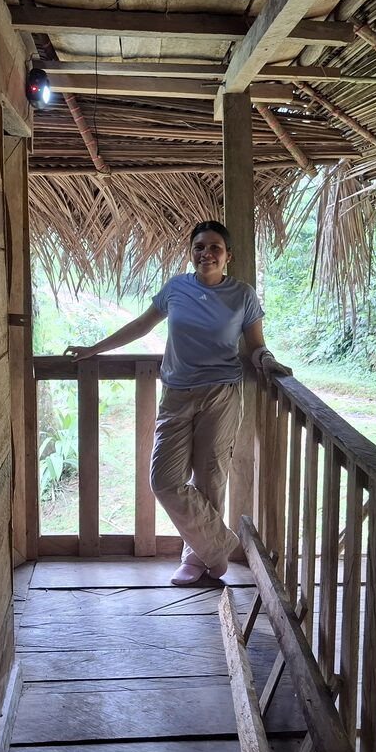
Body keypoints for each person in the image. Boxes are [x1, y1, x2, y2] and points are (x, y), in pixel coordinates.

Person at [65, 221, 292, 586]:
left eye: (215, 247)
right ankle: (217, 547)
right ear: (192, 253)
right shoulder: (176, 288)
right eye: (199, 247)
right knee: (164, 479)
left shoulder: (242, 294)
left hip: (221, 393)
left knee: (210, 477)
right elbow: (141, 326)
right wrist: (95, 349)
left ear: (228, 256)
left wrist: (266, 361)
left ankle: (196, 558)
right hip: (177, 393)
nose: (207, 253)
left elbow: (255, 346)